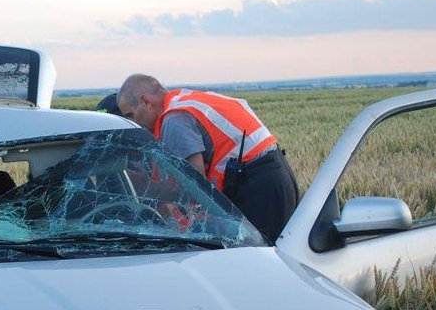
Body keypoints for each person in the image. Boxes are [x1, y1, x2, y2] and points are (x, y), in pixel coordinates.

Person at [116, 74, 299, 242]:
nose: (134, 123)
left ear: (145, 102)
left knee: (259, 261)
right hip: (275, 176)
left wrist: (143, 189)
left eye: (130, 115)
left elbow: (193, 186)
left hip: (258, 190)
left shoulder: (174, 120)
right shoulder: (186, 100)